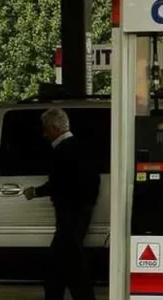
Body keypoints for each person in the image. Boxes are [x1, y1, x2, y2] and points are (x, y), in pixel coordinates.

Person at [24, 107, 100, 300]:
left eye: (46, 128)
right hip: (82, 211)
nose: (44, 133)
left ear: (55, 128)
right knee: (63, 263)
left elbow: (58, 183)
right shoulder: (83, 147)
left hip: (69, 214)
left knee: (68, 263)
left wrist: (36, 192)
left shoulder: (62, 150)